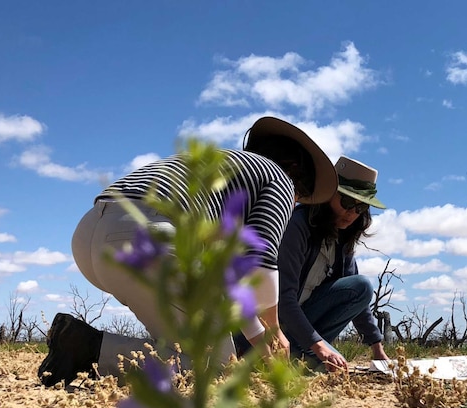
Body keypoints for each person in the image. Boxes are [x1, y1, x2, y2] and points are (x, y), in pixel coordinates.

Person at [38, 117, 338, 387]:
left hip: (92, 233)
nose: (294, 203)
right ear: (297, 175)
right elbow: (259, 261)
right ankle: (85, 347)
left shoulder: (228, 174)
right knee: (211, 367)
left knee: (192, 348)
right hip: (148, 234)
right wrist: (273, 329)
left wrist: (258, 337)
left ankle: (84, 348)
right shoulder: (280, 178)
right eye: (300, 197)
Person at [276, 156, 389, 372]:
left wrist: (377, 347)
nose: (352, 213)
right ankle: (302, 355)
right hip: (277, 326)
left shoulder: (342, 237)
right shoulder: (297, 226)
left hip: (305, 326)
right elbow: (284, 298)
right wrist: (320, 347)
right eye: (347, 202)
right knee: (327, 362)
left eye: (361, 207)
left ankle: (303, 356)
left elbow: (356, 296)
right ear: (328, 194)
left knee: (361, 287)